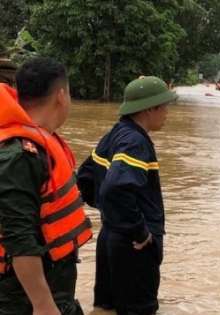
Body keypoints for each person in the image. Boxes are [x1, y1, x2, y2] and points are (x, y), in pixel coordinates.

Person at [76, 75, 177, 315]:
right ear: (149, 109)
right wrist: (139, 229)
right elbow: (115, 188)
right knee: (138, 309)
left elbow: (85, 178)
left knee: (106, 307)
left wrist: (110, 214)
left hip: (111, 236)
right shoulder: (135, 142)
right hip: (135, 244)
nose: (167, 112)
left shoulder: (115, 134)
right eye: (164, 106)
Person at [0, 57, 93, 315]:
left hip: (54, 290)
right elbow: (18, 238)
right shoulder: (22, 155)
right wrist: (43, 305)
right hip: (24, 301)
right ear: (62, 95)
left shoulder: (40, 144)